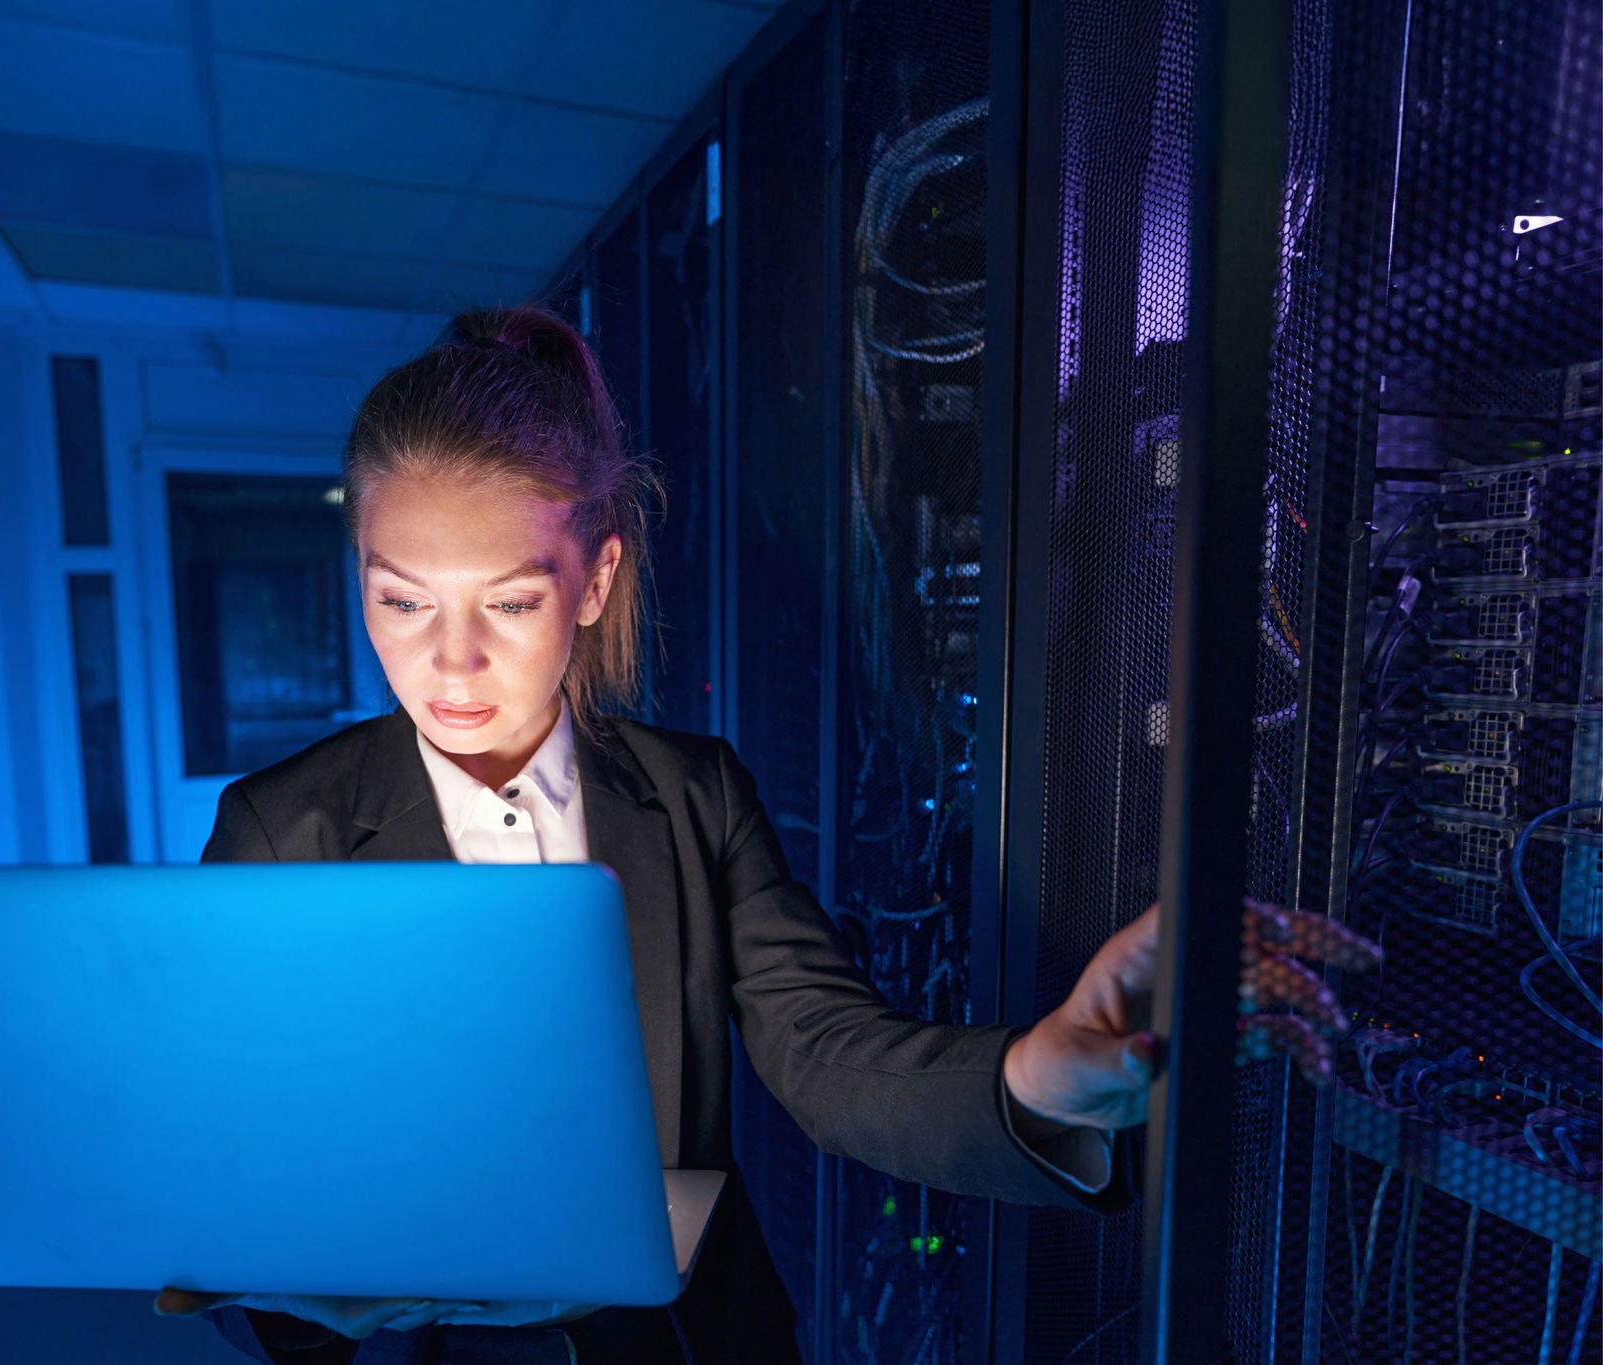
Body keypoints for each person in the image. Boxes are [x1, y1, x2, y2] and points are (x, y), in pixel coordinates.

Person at [150, 305, 1371, 1365]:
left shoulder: (689, 800)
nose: (447, 662)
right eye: (398, 600)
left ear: (595, 582)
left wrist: (1035, 1073)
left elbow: (829, 1056)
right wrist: (292, 1282)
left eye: (509, 602)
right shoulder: (279, 826)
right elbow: (230, 1170)